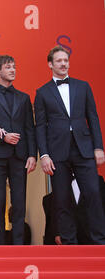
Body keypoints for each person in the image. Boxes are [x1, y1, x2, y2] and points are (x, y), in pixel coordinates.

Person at [34, 45, 105, 245]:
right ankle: (69, 243)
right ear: (50, 64)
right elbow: (40, 126)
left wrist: (98, 147)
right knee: (62, 199)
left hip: (83, 149)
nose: (63, 63)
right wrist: (44, 155)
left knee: (93, 193)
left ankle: (100, 242)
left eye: (66, 60)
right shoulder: (42, 92)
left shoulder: (83, 87)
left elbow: (93, 117)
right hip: (57, 152)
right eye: (59, 61)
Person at [0, 55, 37, 245]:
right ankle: (0, 246)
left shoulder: (24, 98)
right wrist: (3, 136)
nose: (13, 70)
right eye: (8, 67)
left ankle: (18, 246)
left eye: (14, 66)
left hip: (20, 156)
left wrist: (32, 155)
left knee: (19, 202)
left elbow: (29, 128)